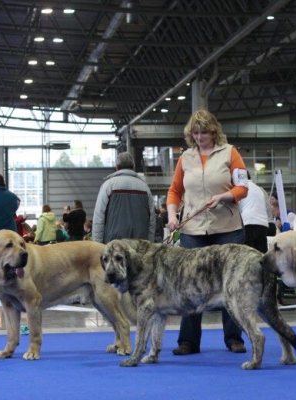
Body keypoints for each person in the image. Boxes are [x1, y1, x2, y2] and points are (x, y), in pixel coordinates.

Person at [166, 109, 249, 356]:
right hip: (192, 230)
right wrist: (172, 216)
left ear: (214, 131)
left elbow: (243, 187)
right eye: (196, 132)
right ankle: (188, 341)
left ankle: (234, 338)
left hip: (228, 229)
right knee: (191, 284)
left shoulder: (230, 153)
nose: (200, 137)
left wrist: (224, 196)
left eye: (204, 132)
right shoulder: (185, 158)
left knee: (231, 284)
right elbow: (174, 191)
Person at [92, 152, 155, 244]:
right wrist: (149, 245)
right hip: (140, 247)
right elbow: (152, 222)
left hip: (114, 248)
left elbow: (99, 219)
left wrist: (97, 247)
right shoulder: (145, 188)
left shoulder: (108, 186)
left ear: (117, 167)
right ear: (133, 166)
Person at [238, 171, 269, 253]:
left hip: (248, 223)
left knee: (246, 254)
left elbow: (237, 208)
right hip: (263, 224)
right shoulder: (259, 189)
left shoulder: (241, 188)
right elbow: (266, 206)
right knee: (261, 255)